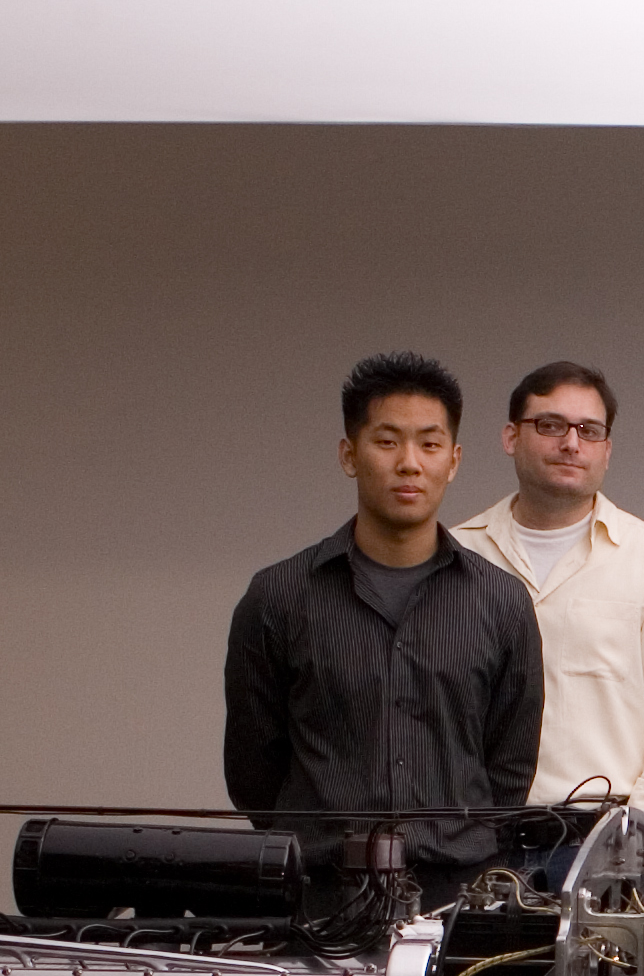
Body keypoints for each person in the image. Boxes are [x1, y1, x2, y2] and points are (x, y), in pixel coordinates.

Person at [222, 351, 542, 881]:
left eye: (430, 443)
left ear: (454, 460)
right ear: (349, 454)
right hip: (318, 892)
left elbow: (509, 769)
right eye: (387, 441)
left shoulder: (501, 602)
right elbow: (254, 772)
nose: (410, 462)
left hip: (456, 892)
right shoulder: (278, 596)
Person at [448, 362, 644, 862]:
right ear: (510, 436)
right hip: (475, 839)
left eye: (589, 431)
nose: (571, 443)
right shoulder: (460, 555)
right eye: (549, 425)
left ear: (606, 450)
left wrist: (636, 831)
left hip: (605, 840)